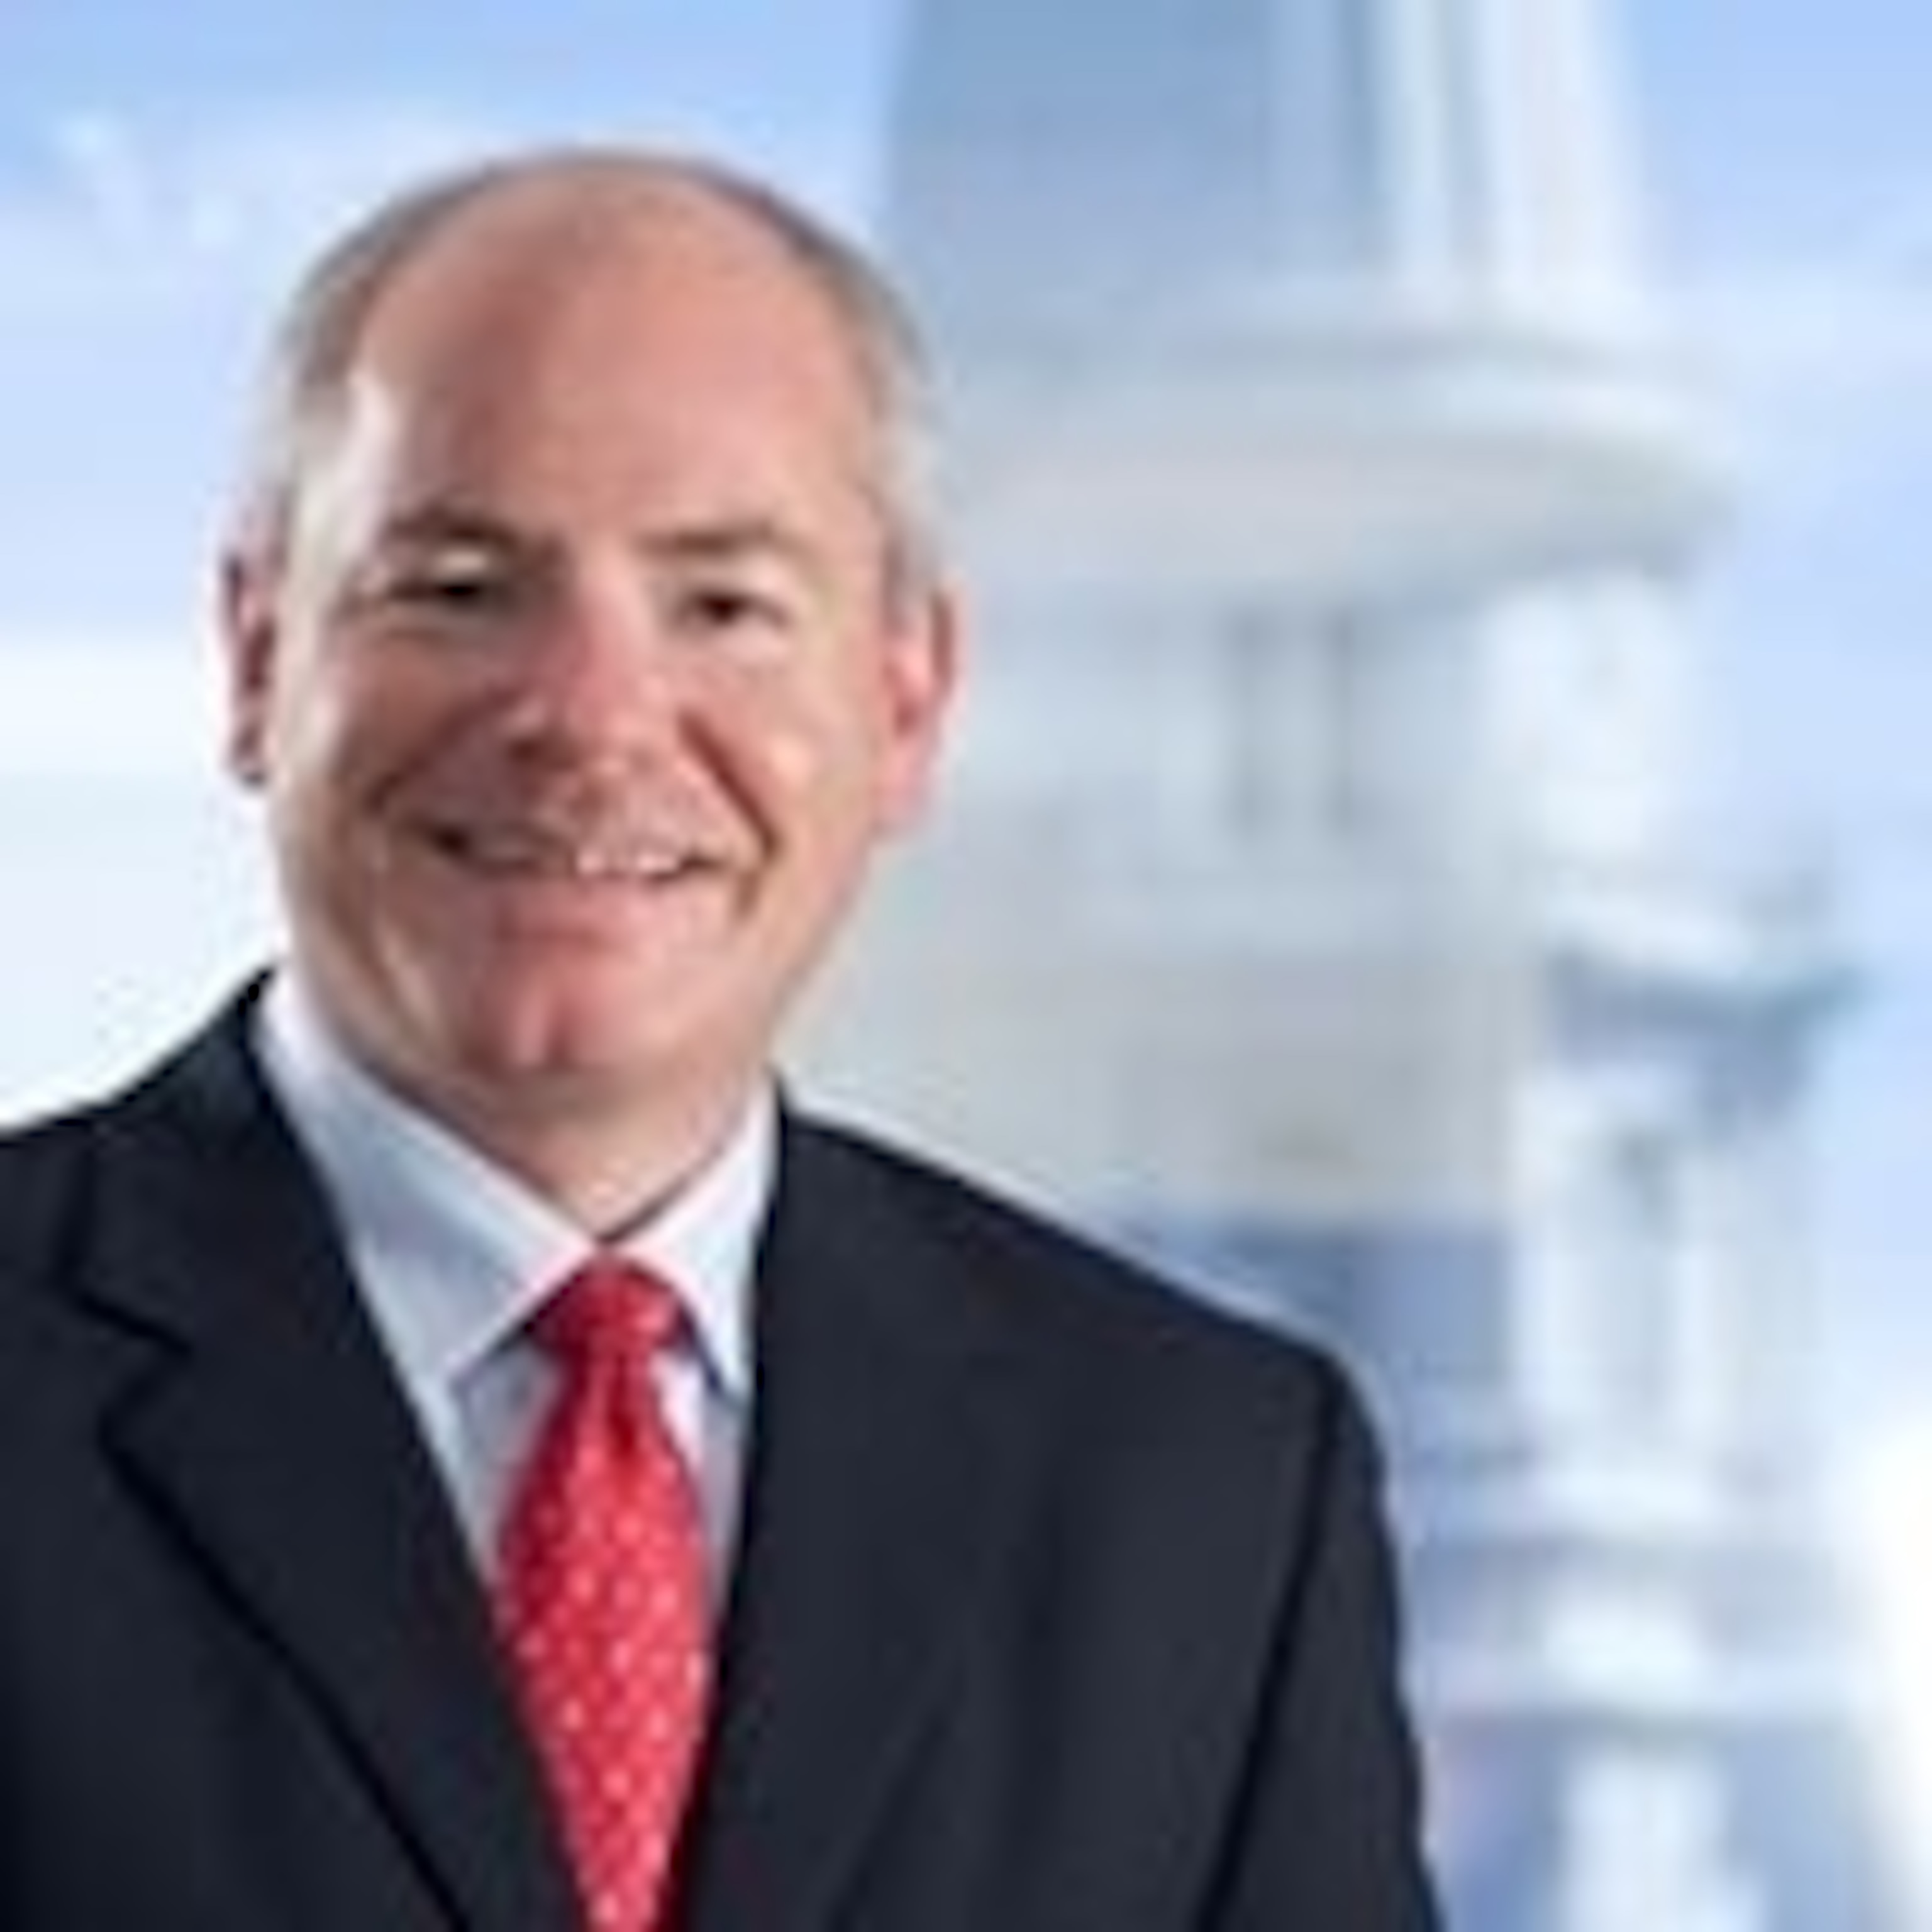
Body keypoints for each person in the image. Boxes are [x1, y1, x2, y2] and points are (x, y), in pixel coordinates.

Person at [0, 145, 1440, 1929]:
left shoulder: (1204, 1494)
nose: (593, 719)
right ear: (255, 657)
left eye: (725, 606)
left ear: (908, 702)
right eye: (458, 586)